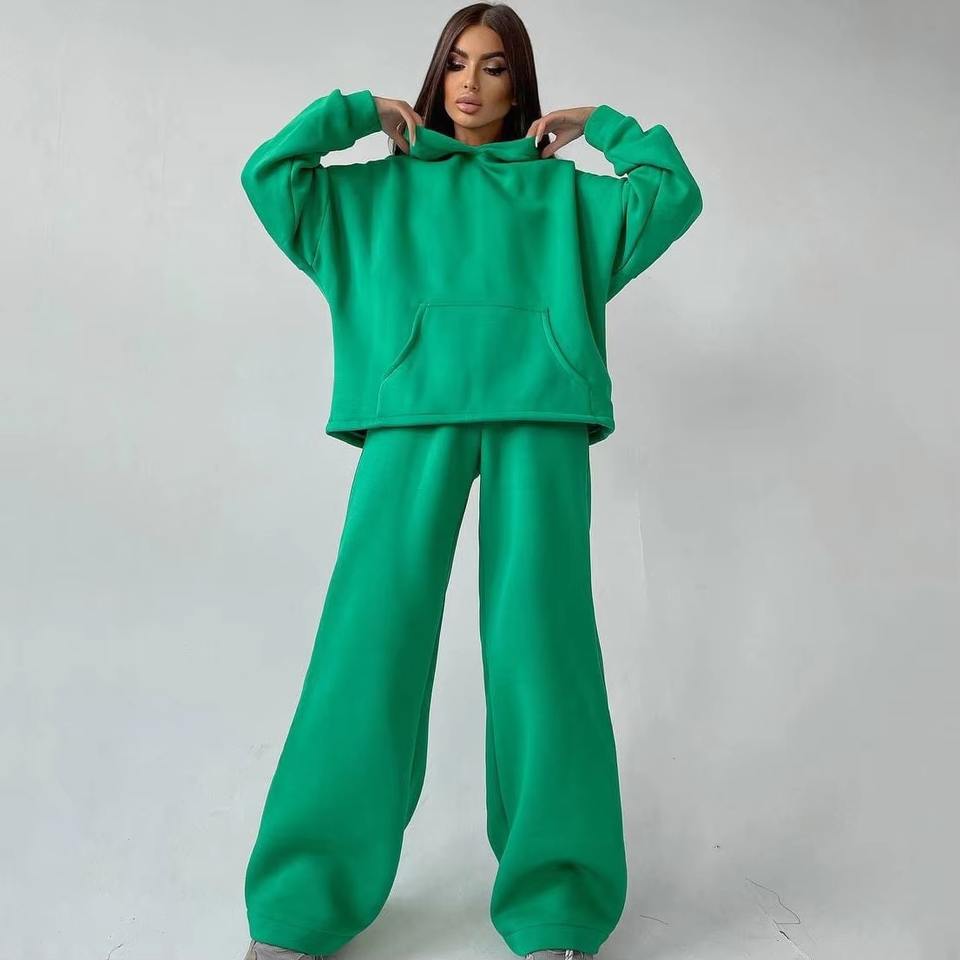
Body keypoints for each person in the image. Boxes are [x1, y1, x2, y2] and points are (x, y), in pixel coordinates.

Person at [238, 3, 702, 959]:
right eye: (456, 62)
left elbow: (671, 194)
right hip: (413, 412)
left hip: (540, 413)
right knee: (369, 642)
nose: (471, 83)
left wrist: (601, 125)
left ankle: (557, 905)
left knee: (544, 646)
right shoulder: (377, 192)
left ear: (519, 83)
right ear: (434, 74)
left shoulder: (570, 198)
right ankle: (301, 905)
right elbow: (270, 175)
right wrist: (355, 113)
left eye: (494, 66)